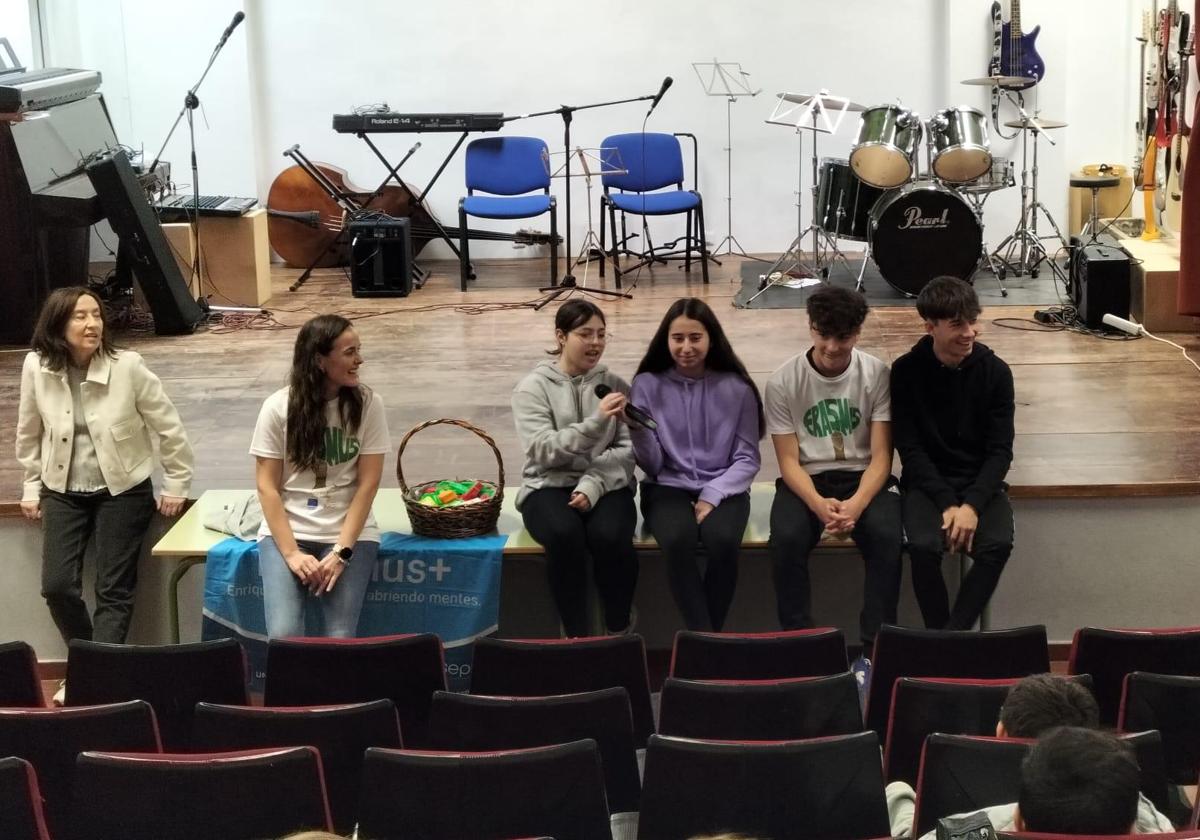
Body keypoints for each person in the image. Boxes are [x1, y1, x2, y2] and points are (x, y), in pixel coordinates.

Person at [16, 287, 193, 664]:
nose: (92, 324)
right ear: (57, 324)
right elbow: (29, 431)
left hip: (123, 489)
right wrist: (31, 485)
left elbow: (169, 426)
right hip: (61, 488)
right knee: (57, 587)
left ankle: (96, 676)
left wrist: (176, 482)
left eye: (96, 315)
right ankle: (91, 666)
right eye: (80, 316)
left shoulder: (127, 366)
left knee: (114, 591)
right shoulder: (36, 366)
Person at [765, 286, 901, 684]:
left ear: (857, 333)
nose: (831, 346)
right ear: (810, 328)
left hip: (864, 476)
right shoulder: (783, 381)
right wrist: (817, 503)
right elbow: (788, 462)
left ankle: (875, 652)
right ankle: (801, 647)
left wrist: (856, 504)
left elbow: (882, 457)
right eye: (823, 334)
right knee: (786, 539)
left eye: (842, 337)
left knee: (887, 537)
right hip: (808, 478)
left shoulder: (876, 374)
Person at [886, 674, 1174, 839]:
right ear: (1133, 831)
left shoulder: (964, 831)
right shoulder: (1153, 822)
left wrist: (897, 792)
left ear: (1019, 821)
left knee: (897, 794)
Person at [251, 314, 389, 638]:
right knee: (284, 634)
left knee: (340, 636)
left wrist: (342, 551)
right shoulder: (277, 408)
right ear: (319, 360)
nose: (359, 360)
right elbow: (266, 487)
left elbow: (368, 485)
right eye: (349, 352)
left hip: (349, 534)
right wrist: (291, 553)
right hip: (288, 532)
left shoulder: (369, 405)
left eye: (358, 350)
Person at [630, 298, 763, 632]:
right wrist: (637, 430)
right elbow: (652, 465)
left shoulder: (738, 389)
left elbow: (747, 459)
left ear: (711, 339)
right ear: (666, 340)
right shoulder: (646, 384)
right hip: (666, 486)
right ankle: (708, 641)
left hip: (725, 486)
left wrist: (713, 494)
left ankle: (703, 641)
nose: (686, 347)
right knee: (677, 540)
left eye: (695, 338)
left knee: (723, 541)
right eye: (678, 338)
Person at [890, 276, 1015, 631]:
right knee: (923, 548)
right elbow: (910, 449)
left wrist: (971, 506)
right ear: (930, 327)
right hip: (928, 484)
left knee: (996, 546)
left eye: (973, 321)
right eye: (958, 324)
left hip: (979, 482)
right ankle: (943, 638)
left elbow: (1000, 451)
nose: (970, 332)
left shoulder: (996, 372)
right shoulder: (905, 371)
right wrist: (947, 504)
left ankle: (949, 640)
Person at [512, 300, 638, 637]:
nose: (595, 342)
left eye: (601, 334)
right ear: (561, 336)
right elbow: (543, 450)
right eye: (585, 334)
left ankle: (618, 629)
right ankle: (575, 636)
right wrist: (596, 424)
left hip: (606, 483)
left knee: (611, 535)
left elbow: (627, 452)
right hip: (547, 485)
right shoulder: (532, 388)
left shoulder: (615, 385)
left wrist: (593, 484)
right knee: (564, 535)